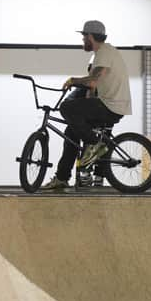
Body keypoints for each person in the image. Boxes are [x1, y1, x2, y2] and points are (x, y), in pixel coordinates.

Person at [43, 20, 131, 190]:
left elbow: (93, 81)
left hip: (110, 105)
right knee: (71, 133)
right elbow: (92, 87)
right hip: (106, 103)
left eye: (84, 37)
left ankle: (94, 143)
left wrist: (73, 80)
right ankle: (62, 178)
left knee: (67, 108)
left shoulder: (104, 52)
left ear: (90, 36)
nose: (82, 40)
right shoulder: (103, 53)